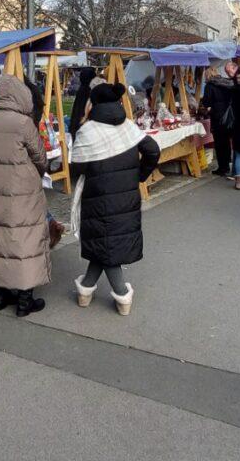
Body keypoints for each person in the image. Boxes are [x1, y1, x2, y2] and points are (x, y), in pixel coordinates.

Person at [70, 82, 158, 316]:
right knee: (109, 242)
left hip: (96, 196)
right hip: (126, 197)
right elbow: (153, 150)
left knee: (105, 241)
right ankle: (87, 288)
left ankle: (119, 295)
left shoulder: (87, 131)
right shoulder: (128, 127)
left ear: (94, 104)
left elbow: (76, 168)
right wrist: (139, 175)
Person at [0, 74, 51, 317]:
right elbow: (40, 157)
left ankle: (0, 296)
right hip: (22, 190)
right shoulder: (22, 123)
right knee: (25, 239)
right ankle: (24, 301)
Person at [199, 62, 237, 176]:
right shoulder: (226, 83)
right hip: (229, 116)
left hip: (218, 117)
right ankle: (228, 163)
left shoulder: (210, 86)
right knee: (227, 142)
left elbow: (207, 102)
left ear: (207, 75)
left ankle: (223, 168)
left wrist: (205, 106)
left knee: (220, 144)